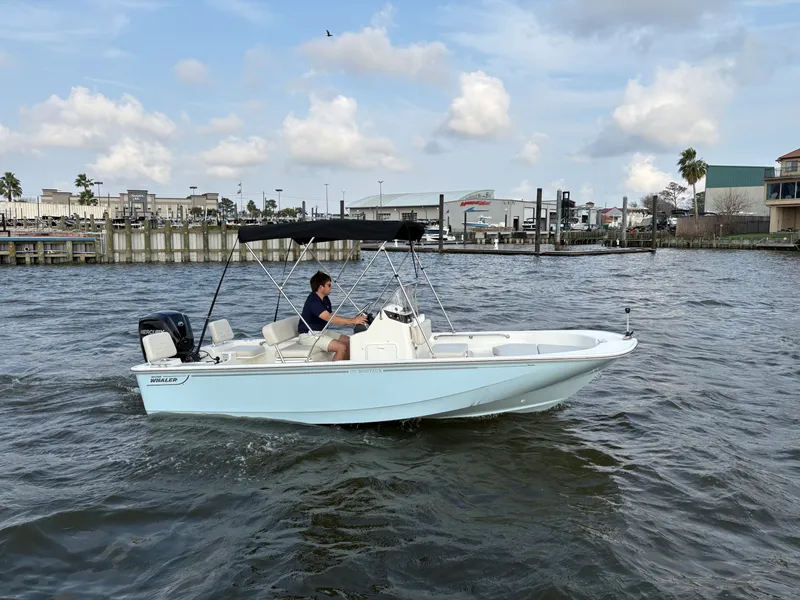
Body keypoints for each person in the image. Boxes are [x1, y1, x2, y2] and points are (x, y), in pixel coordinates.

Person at [298, 271, 366, 361]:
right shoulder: (313, 301)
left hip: (321, 332)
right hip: (309, 335)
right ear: (321, 288)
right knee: (341, 347)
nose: (331, 287)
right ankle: (336, 374)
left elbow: (331, 316)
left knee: (350, 342)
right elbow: (330, 319)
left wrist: (353, 320)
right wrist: (353, 321)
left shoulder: (325, 298)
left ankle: (344, 367)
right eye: (329, 285)